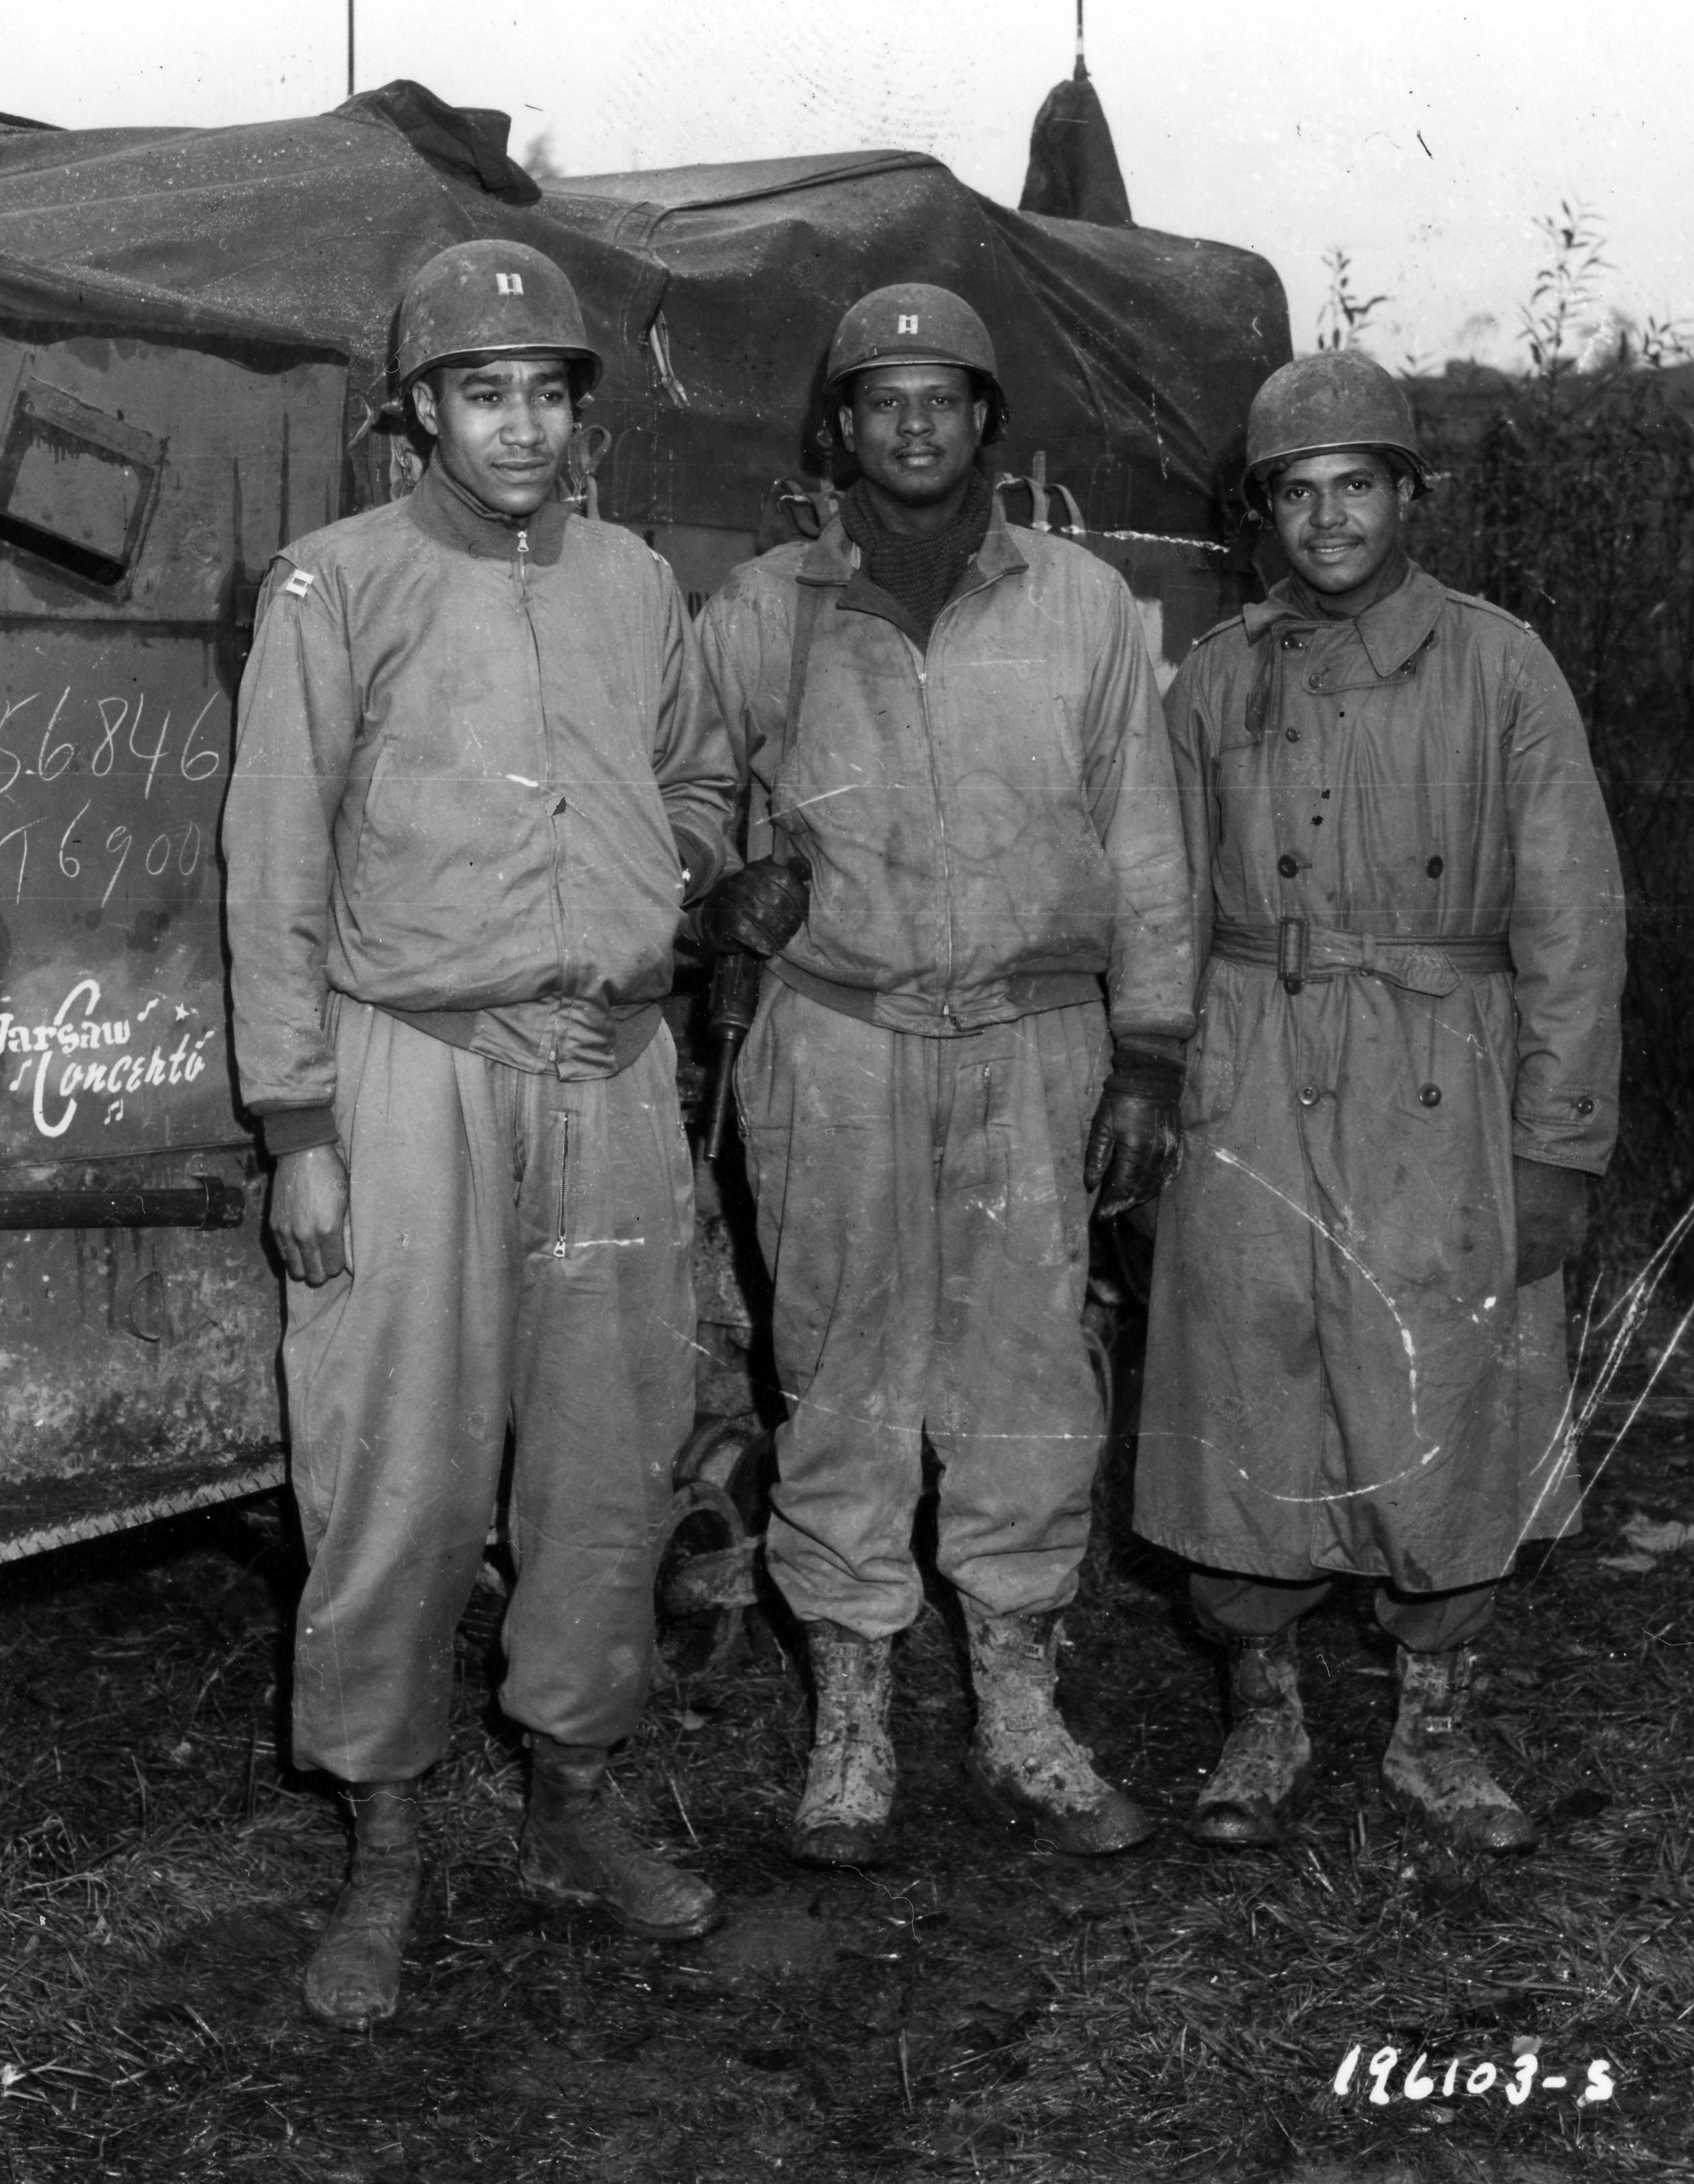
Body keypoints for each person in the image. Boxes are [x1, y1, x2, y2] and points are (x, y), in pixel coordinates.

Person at [221, 238, 733, 2029]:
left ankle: (573, 1795)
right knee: (394, 1468)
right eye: (481, 392)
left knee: (608, 1455)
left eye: (547, 393)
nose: (518, 426)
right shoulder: (333, 584)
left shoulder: (634, 581)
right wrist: (297, 1123)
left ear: (580, 416)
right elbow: (273, 864)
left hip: (604, 1076)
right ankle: (384, 1835)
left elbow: (693, 780)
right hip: (405, 1070)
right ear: (420, 413)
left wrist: (652, 920)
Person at [696, 284, 1195, 1866]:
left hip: (1033, 1043)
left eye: (944, 395)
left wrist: (1149, 1051)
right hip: (833, 1040)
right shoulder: (760, 611)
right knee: (838, 1369)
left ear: (989, 424)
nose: (913, 422)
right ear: (836, 431)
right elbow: (676, 792)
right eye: (880, 397)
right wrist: (718, 885)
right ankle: (850, 1725)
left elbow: (1144, 841)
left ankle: (1020, 1712)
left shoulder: (1085, 610)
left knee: (1028, 1379)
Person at [1134, 351, 1625, 1854]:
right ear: (1263, 511)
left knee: (1444, 1384)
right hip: (1252, 1070)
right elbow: (1157, 895)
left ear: (1409, 498)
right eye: (1298, 491)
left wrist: (1556, 1144)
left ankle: (1432, 1726)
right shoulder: (1213, 680)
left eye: (1358, 486)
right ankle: (1261, 1711)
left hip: (1440, 1076)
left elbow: (1571, 924)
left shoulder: (1498, 667)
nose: (1328, 518)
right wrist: (1156, 1070)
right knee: (1247, 1377)